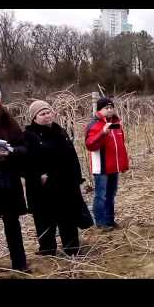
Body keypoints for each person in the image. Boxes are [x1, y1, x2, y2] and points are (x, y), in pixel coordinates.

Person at [24, 100, 88, 256]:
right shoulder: (29, 136)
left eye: (48, 112)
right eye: (42, 114)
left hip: (65, 183)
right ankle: (47, 249)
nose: (47, 116)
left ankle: (72, 248)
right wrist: (39, 175)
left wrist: (76, 177)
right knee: (44, 219)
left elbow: (72, 156)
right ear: (34, 118)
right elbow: (26, 161)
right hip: (43, 187)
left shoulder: (60, 131)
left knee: (67, 217)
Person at [0, 83, 30, 272]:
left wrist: (11, 152)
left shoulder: (9, 120)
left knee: (12, 223)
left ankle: (20, 264)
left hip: (8, 179)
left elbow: (24, 148)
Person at [85, 97, 129, 231]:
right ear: (100, 110)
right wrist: (102, 133)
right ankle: (100, 222)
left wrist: (124, 164)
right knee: (101, 195)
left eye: (111, 107)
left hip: (113, 166)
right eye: (106, 108)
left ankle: (110, 220)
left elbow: (120, 146)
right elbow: (90, 144)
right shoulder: (94, 125)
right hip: (101, 168)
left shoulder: (116, 123)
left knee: (111, 194)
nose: (109, 110)